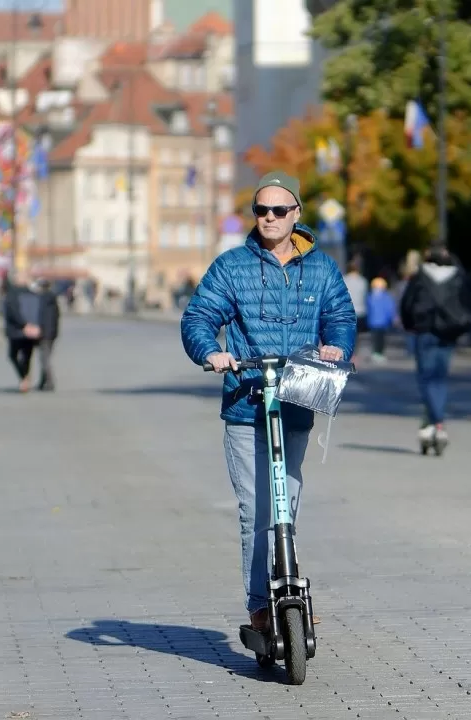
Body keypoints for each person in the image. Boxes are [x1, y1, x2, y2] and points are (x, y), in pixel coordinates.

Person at [180, 170, 356, 633]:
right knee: (256, 511)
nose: (270, 217)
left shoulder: (320, 267)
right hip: (246, 402)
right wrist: (211, 352)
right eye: (262, 210)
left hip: (295, 400)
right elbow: (199, 316)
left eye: (280, 209)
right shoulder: (232, 266)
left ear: (296, 213)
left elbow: (340, 315)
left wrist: (337, 346)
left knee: (286, 503)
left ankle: (287, 585)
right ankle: (260, 603)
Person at [399, 246, 471, 448]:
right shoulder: (457, 276)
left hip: (425, 330)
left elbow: (407, 303)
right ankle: (434, 422)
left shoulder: (420, 276)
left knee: (426, 377)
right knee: (439, 378)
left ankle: (436, 421)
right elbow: (467, 302)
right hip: (448, 331)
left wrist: (409, 325)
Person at [2, 272, 44, 392]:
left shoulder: (11, 294)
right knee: (27, 356)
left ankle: (24, 377)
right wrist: (35, 325)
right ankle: (25, 377)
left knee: (13, 355)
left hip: (16, 330)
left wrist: (23, 324)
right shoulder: (34, 294)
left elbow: (12, 311)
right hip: (32, 329)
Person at [35, 278, 61, 392]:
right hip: (52, 333)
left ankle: (49, 381)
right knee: (46, 357)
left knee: (44, 358)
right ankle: (42, 382)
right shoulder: (53, 299)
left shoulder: (41, 299)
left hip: (44, 332)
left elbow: (39, 316)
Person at [366, 277, 397, 363]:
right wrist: (393, 318)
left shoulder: (370, 296)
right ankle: (378, 353)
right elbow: (390, 309)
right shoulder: (386, 296)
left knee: (376, 339)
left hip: (375, 322)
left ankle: (376, 353)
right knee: (380, 339)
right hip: (382, 322)